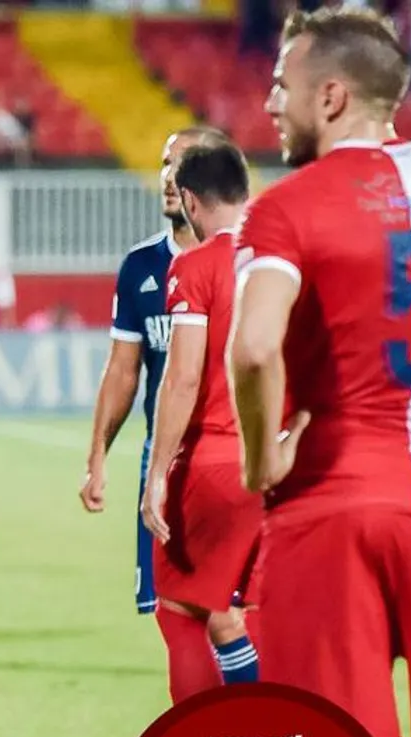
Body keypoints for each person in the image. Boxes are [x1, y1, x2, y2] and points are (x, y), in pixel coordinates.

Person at [231, 8, 411, 737]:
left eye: (282, 84)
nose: (270, 102)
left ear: (330, 96)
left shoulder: (283, 209)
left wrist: (259, 461)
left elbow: (253, 348)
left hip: (333, 506)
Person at [79, 125, 229, 620]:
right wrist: (97, 455)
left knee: (237, 614)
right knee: (174, 613)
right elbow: (123, 371)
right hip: (163, 460)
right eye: (165, 162)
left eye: (182, 163)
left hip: (230, 455)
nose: (168, 176)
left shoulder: (249, 261)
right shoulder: (141, 266)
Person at [139, 142, 262, 705]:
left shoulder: (195, 265)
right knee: (250, 610)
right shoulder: (285, 261)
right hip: (278, 465)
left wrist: (157, 474)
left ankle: (215, 736)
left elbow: (184, 377)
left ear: (189, 200)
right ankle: (274, 730)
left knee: (181, 609)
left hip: (213, 464)